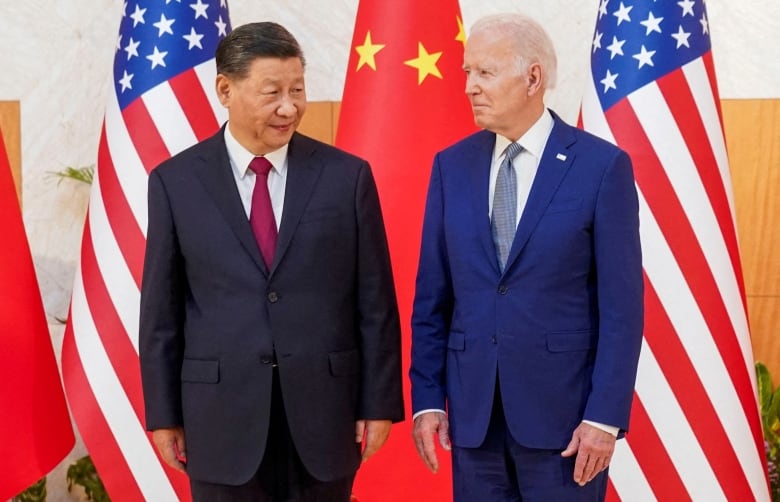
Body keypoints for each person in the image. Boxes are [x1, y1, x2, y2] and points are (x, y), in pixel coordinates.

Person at [139, 21, 403, 501]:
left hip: (326, 417)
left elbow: (375, 302)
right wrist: (163, 414)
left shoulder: (347, 178)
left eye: (297, 89)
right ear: (226, 89)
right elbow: (161, 312)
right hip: (219, 418)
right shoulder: (174, 183)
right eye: (272, 92)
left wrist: (378, 404)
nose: (289, 107)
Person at [410, 13, 643, 501]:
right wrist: (427, 399)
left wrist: (603, 417)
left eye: (485, 73)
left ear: (533, 77)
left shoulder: (601, 167)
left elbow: (622, 310)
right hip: (473, 423)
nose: (470, 87)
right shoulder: (451, 166)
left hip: (566, 427)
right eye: (467, 73)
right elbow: (433, 297)